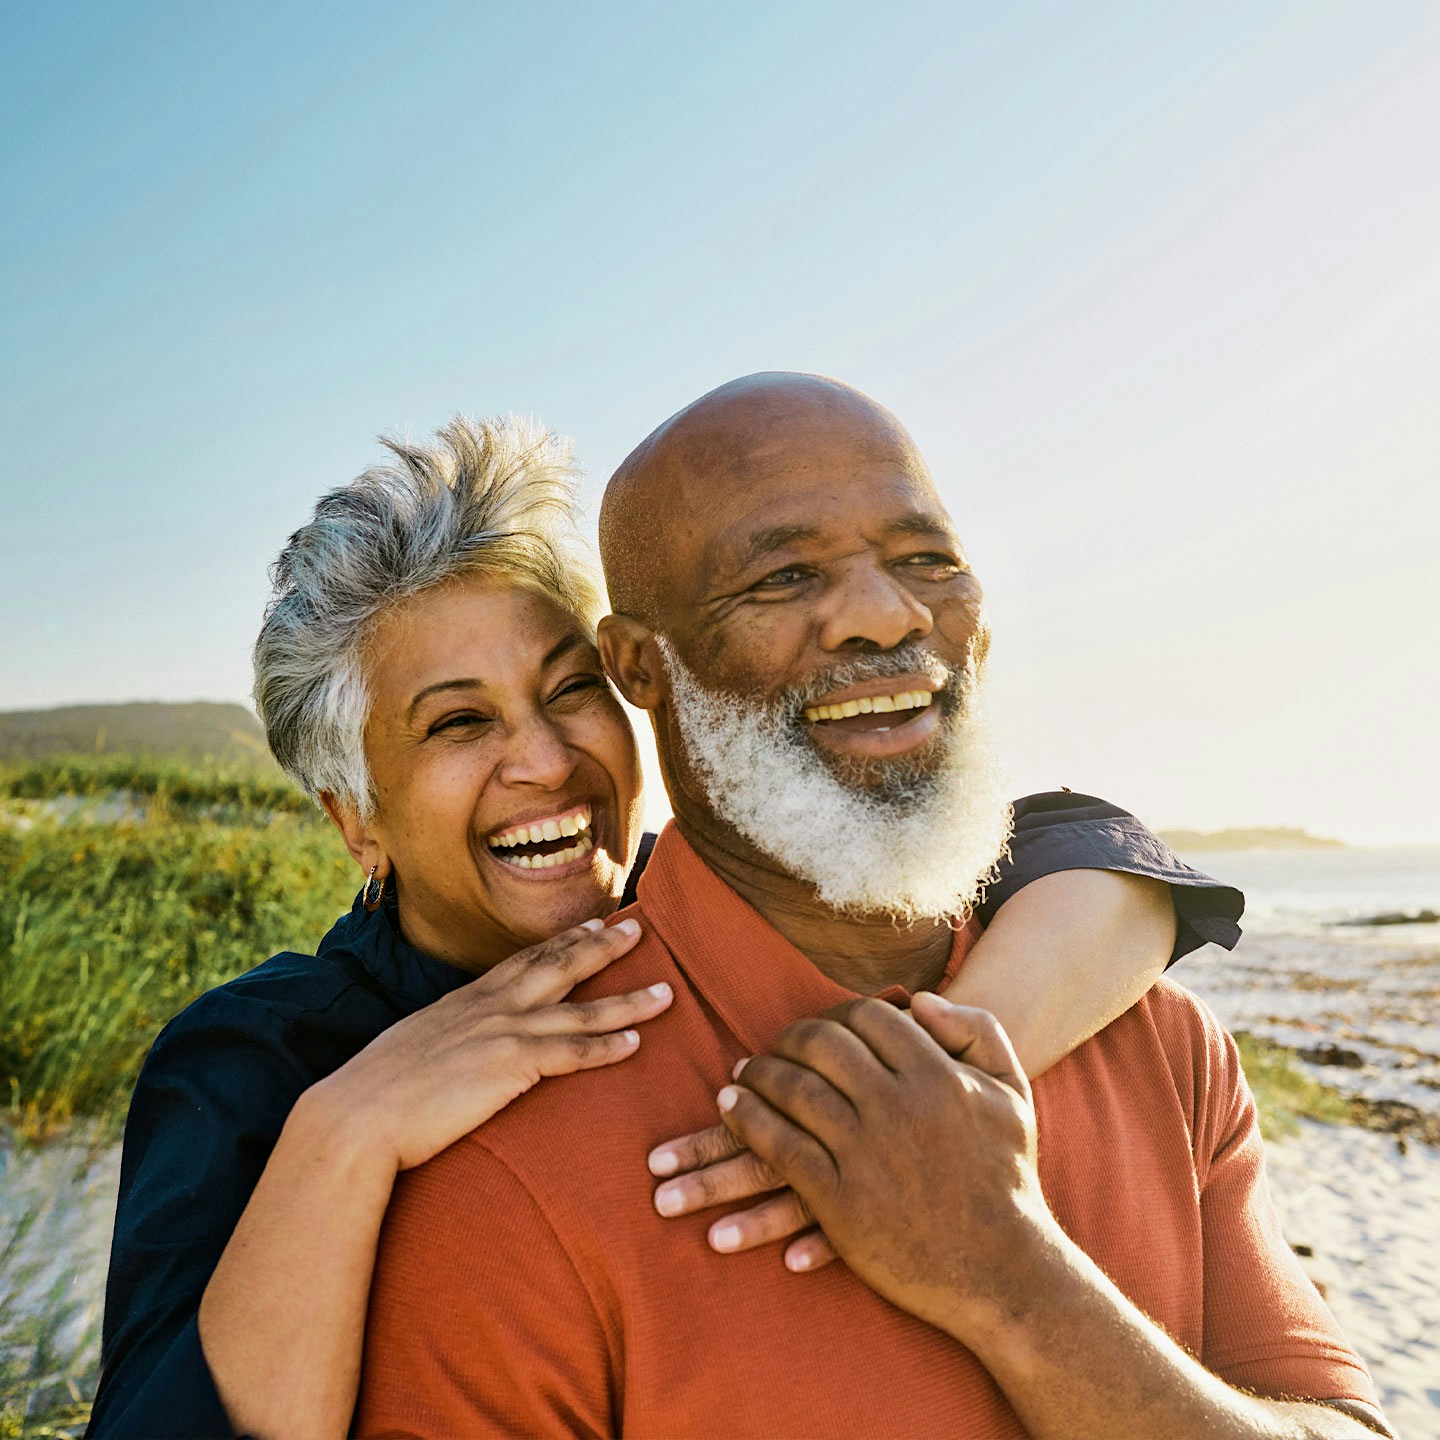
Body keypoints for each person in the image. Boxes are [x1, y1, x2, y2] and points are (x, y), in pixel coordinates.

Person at [91, 415, 1240, 1439]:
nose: (545, 762)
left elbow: (1083, 845)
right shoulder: (259, 1062)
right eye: (457, 725)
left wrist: (933, 1074)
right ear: (357, 821)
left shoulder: (714, 901)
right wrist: (347, 1131)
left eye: (569, 690)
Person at [355, 376, 1389, 1439]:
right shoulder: (502, 1174)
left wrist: (1011, 1278)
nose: (886, 616)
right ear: (638, 666)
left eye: (926, 561)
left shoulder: (1162, 1047)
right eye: (784, 575)